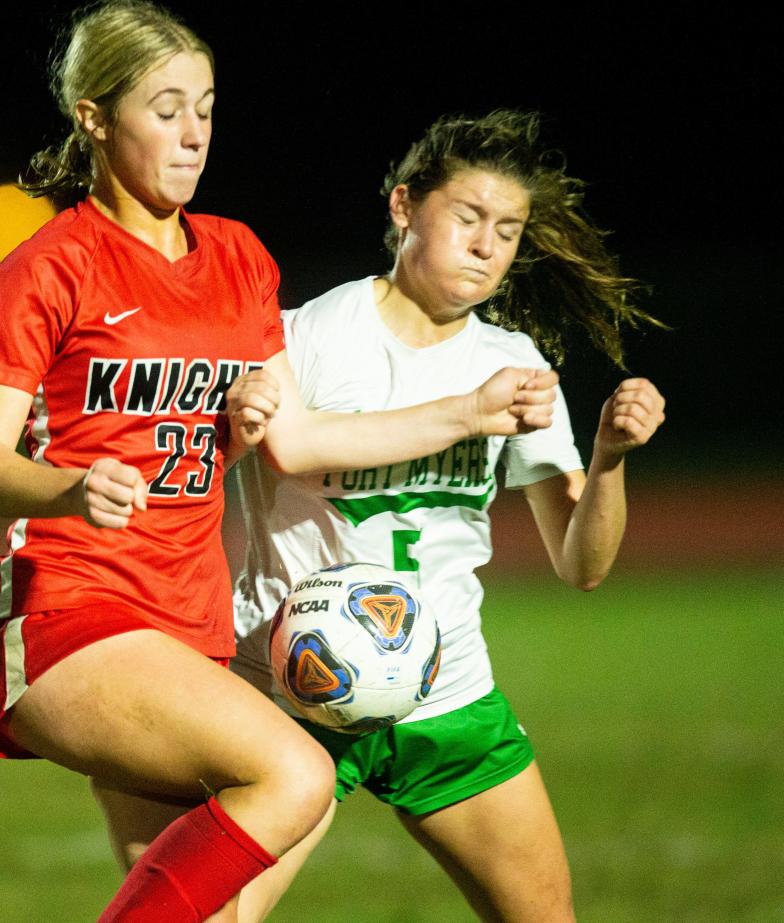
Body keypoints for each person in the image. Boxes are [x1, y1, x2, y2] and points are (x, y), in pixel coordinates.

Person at [0, 4, 561, 919]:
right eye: (165, 108)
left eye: (205, 107)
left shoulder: (238, 258)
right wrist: (71, 487)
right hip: (73, 609)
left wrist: (240, 424)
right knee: (296, 770)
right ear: (92, 116)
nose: (193, 133)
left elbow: (280, 436)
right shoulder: (48, 267)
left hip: (188, 623)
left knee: (214, 914)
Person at [222, 110, 666, 921]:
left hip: (449, 691)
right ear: (402, 208)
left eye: (507, 229)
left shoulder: (516, 365)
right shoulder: (307, 338)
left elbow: (584, 562)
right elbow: (278, 450)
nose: (487, 245)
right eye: (467, 217)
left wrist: (608, 458)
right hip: (294, 695)